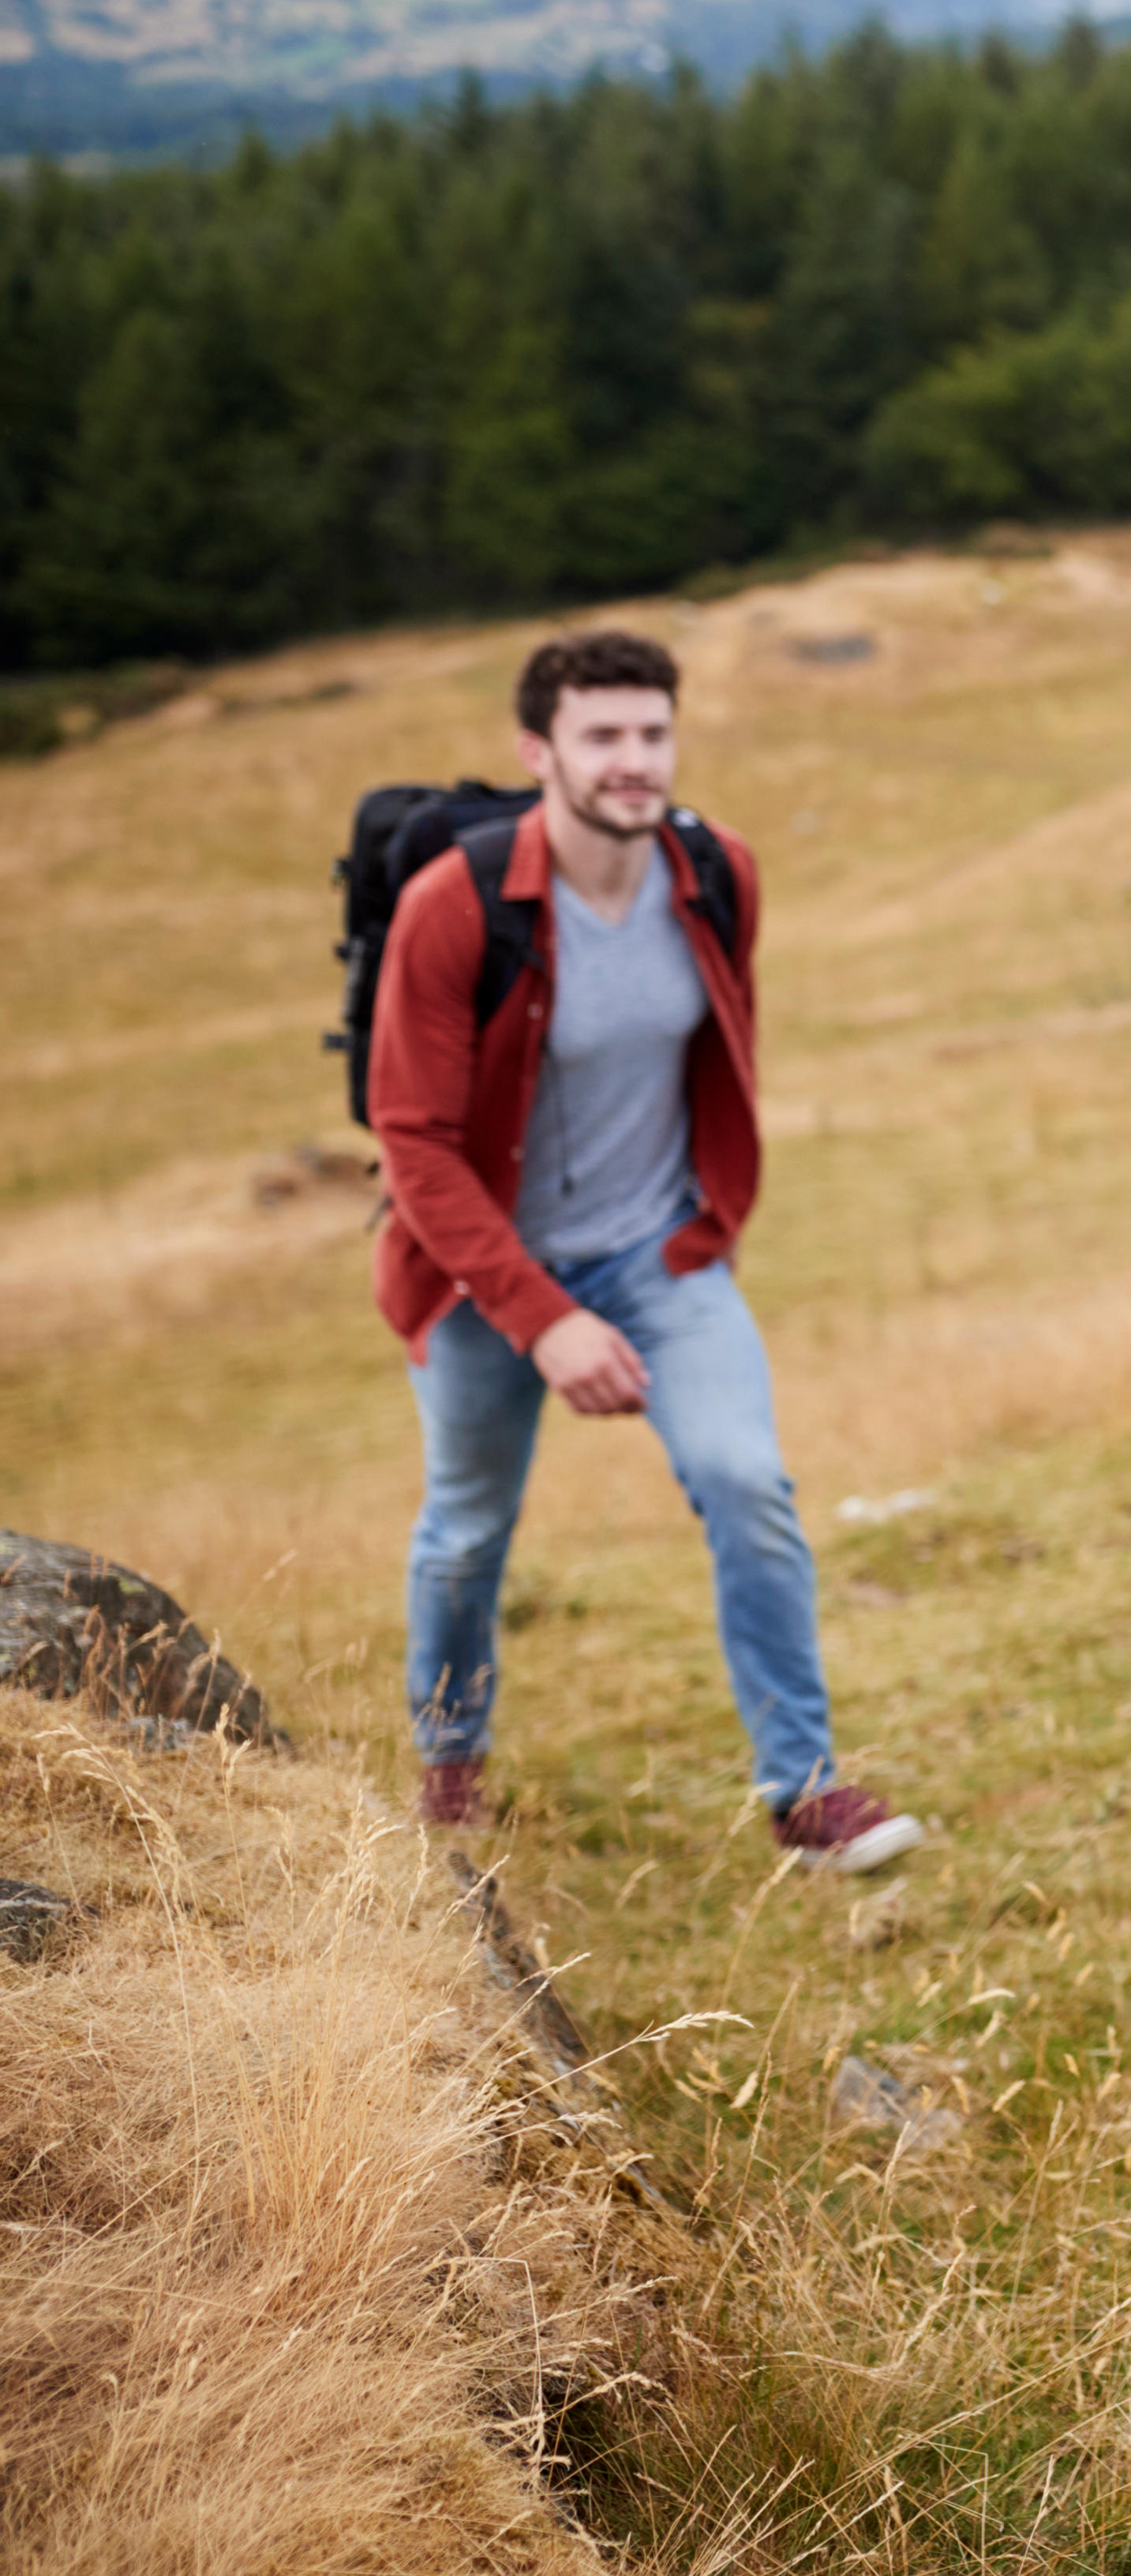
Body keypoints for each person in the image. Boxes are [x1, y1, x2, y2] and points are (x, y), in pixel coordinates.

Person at [372, 628, 921, 1871]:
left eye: (652, 734)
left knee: (749, 1486)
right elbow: (410, 1140)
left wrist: (706, 1220)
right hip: (481, 1278)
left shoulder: (716, 873)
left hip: (657, 1256)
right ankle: (451, 1772)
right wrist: (538, 1313)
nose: (634, 762)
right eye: (602, 736)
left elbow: (719, 1046)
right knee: (466, 1529)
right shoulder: (455, 908)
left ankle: (805, 1792)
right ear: (538, 751)